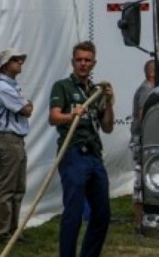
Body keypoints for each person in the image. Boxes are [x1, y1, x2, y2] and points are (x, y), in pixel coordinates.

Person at [48, 41, 115, 257]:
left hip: (94, 154)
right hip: (74, 152)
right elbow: (53, 117)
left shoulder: (96, 91)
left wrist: (109, 102)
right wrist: (72, 115)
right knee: (74, 213)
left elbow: (107, 127)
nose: (83, 64)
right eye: (79, 60)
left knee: (102, 214)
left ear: (94, 63)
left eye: (87, 60)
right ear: (73, 62)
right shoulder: (63, 86)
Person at [0, 48, 34, 243]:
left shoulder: (9, 85)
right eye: (16, 60)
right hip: (8, 138)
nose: (20, 63)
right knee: (7, 187)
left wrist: (26, 105)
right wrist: (27, 104)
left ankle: (12, 230)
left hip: (14, 139)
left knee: (17, 187)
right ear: (6, 65)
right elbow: (26, 109)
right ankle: (1, 231)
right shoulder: (2, 87)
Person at [130, 59, 155, 229]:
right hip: (142, 141)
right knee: (140, 182)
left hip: (146, 140)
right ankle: (139, 224)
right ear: (151, 73)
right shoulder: (147, 90)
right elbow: (143, 115)